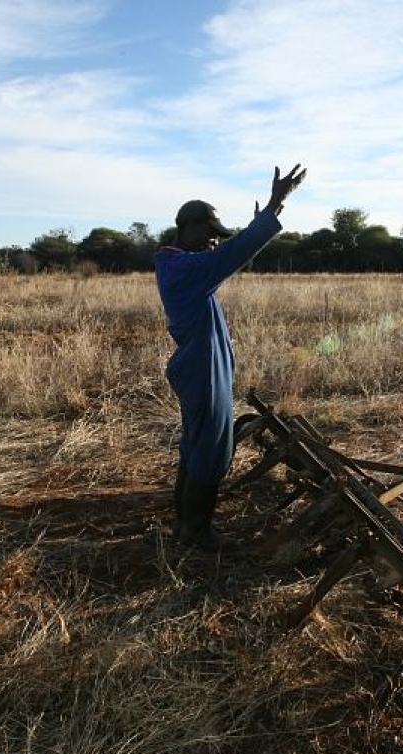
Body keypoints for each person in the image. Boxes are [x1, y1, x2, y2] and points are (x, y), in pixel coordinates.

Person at [155, 164, 307, 551]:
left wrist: (261, 220)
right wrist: (276, 204)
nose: (213, 243)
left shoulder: (181, 265)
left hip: (200, 367)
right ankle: (197, 533)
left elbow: (228, 255)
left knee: (196, 446)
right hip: (203, 372)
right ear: (187, 227)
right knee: (211, 449)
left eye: (216, 237)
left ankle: (184, 526)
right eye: (209, 235)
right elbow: (232, 254)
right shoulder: (182, 268)